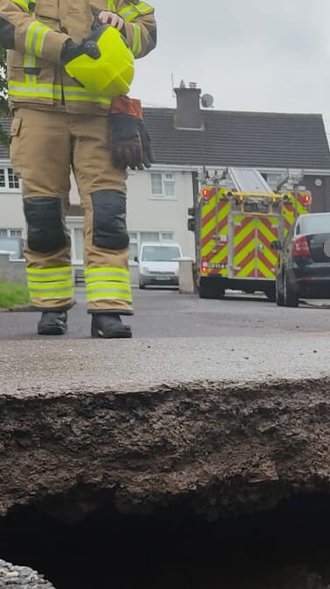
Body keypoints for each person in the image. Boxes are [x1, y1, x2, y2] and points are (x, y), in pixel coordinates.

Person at [0, 0, 157, 338]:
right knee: (43, 214)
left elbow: (147, 31)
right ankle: (51, 306)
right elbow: (6, 20)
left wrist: (123, 28)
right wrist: (66, 48)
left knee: (107, 211)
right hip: (37, 112)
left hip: (99, 112)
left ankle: (108, 309)